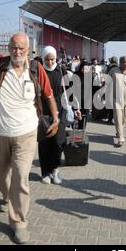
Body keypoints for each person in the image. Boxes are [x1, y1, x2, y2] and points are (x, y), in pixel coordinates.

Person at [0, 33, 59, 244]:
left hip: (27, 133)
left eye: (21, 48)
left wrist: (56, 117)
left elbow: (48, 95)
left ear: (28, 50)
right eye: (14, 47)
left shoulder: (36, 69)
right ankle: (5, 196)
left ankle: (19, 221)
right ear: (9, 47)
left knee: (21, 176)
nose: (17, 52)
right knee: (1, 174)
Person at [39, 46, 81, 185]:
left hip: (61, 111)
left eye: (52, 59)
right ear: (43, 58)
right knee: (45, 142)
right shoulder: (39, 72)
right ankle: (45, 172)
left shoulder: (61, 70)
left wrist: (75, 108)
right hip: (43, 113)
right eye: (47, 59)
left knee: (58, 141)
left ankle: (55, 169)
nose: (50, 62)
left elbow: (69, 90)